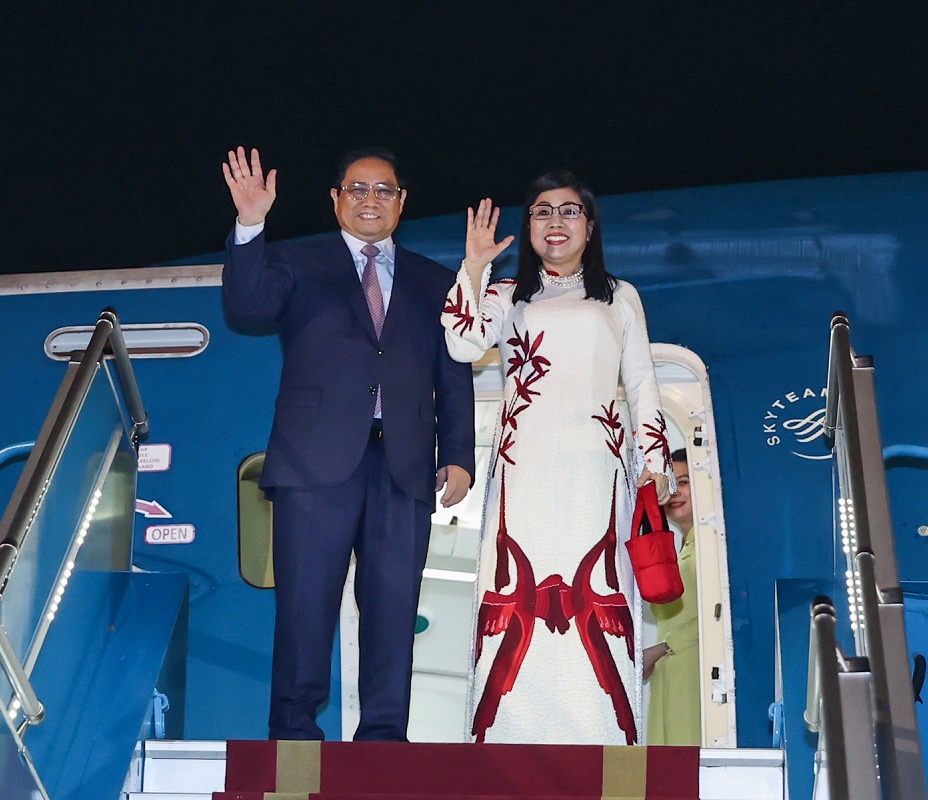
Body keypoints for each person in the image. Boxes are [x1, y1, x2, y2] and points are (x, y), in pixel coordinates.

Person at [221, 146, 476, 742]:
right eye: (357, 189)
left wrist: (458, 454)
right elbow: (246, 306)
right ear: (336, 199)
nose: (370, 200)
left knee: (393, 610)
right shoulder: (296, 262)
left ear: (402, 202)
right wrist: (251, 224)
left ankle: (383, 740)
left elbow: (453, 373)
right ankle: (293, 735)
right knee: (305, 607)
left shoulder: (437, 281)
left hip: (404, 467)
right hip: (312, 464)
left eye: (384, 190)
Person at [440, 171, 673, 745]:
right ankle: (503, 740)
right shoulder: (506, 294)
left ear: (590, 227)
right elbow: (460, 343)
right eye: (542, 211)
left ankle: (604, 738)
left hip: (596, 471)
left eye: (569, 211)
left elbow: (642, 383)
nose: (556, 222)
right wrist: (474, 266)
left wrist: (655, 460)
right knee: (514, 596)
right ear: (529, 227)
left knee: (597, 593)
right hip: (524, 470)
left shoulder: (619, 296)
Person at [643, 448, 701, 745]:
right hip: (671, 674)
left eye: (685, 482)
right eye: (671, 484)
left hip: (697, 675)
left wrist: (663, 647)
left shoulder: (714, 546)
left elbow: (722, 618)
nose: (675, 493)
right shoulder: (682, 549)